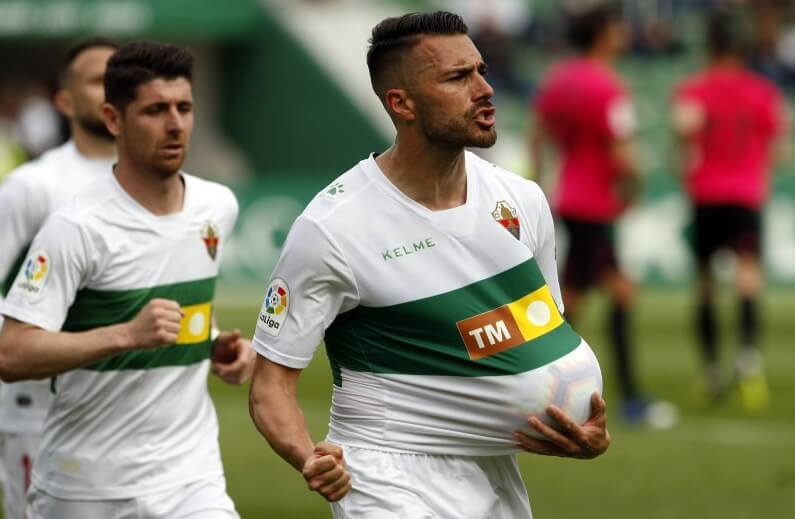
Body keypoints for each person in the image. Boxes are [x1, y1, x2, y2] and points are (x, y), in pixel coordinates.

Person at [248, 11, 609, 518]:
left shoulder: (521, 199)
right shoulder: (332, 229)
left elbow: (545, 339)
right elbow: (269, 387)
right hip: (386, 478)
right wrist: (309, 456)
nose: (485, 89)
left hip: (494, 473)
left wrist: (583, 425)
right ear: (402, 103)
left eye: (481, 70)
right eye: (458, 78)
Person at [0, 40, 254, 518]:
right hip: (84, 486)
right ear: (115, 119)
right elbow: (11, 353)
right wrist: (125, 335)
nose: (176, 123)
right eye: (156, 110)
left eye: (184, 107)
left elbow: (182, 310)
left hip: (190, 478)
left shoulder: (217, 206)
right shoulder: (75, 225)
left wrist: (216, 343)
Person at [531, 2, 676, 427]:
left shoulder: (558, 80)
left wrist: (540, 185)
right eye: (618, 28)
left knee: (602, 292)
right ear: (603, 35)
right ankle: (560, 390)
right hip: (595, 203)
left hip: (568, 197)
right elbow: (622, 153)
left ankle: (547, 387)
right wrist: (635, 186)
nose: (624, 34)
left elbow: (538, 134)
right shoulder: (608, 86)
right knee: (580, 298)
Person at [0, 37, 118, 519]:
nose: (112, 89)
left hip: (128, 407)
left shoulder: (158, 183)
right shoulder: (34, 185)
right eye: (97, 80)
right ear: (64, 100)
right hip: (39, 409)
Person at [672, 11, 787, 410]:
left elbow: (685, 145)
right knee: (748, 279)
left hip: (706, 196)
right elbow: (779, 150)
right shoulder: (763, 91)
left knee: (704, 283)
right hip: (745, 195)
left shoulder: (693, 90)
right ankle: (749, 365)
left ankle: (711, 372)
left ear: (709, 47)